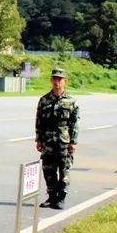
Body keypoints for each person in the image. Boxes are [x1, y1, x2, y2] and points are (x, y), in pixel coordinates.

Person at [35, 68, 79, 209]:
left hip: (64, 142)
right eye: (54, 79)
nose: (57, 82)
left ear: (65, 81)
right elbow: (39, 121)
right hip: (48, 142)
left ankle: (61, 198)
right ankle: (51, 197)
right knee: (48, 170)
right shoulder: (44, 100)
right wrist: (39, 140)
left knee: (64, 170)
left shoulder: (71, 102)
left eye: (60, 79)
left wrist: (73, 141)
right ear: (51, 80)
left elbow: (75, 123)